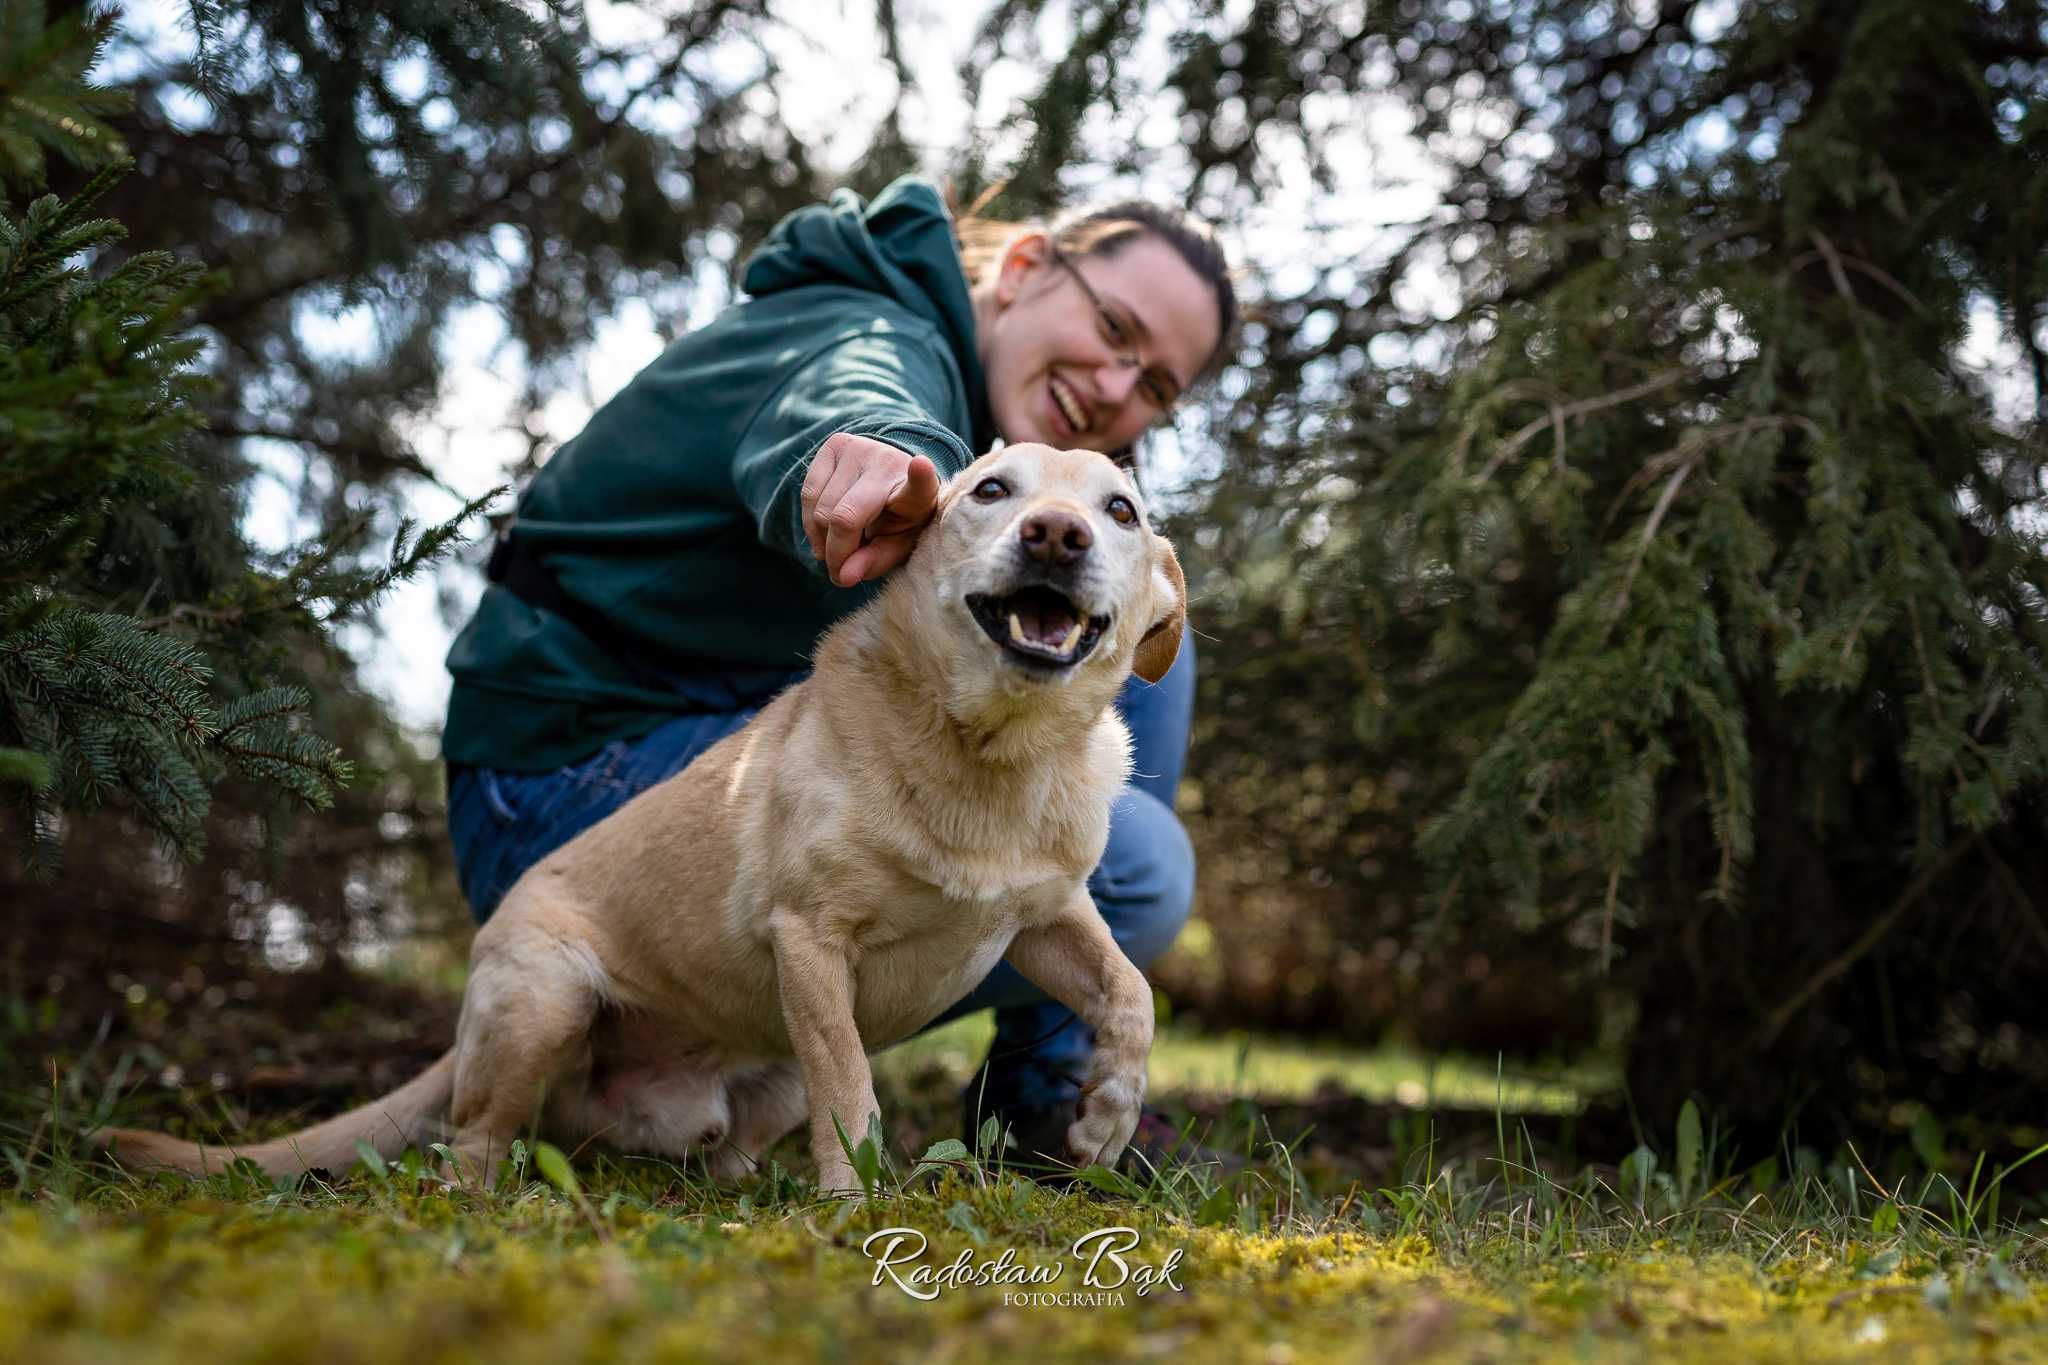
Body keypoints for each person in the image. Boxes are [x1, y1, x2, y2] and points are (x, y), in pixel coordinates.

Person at [441, 175, 1238, 1167]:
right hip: (565, 771)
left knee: (1125, 624)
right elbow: (855, 405)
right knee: (1136, 865)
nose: (1118, 386)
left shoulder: (1007, 436)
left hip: (721, 742)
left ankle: (1047, 1098)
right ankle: (997, 1098)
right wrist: (891, 463)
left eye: (1154, 384)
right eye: (1114, 328)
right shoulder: (868, 327)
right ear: (1027, 267)